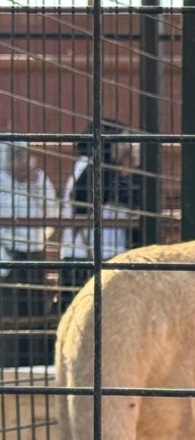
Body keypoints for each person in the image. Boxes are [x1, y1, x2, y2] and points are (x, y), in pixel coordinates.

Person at [59, 120, 142, 307]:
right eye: (123, 141)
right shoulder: (87, 166)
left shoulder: (119, 171)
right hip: (82, 256)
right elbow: (92, 196)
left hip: (112, 256)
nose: (129, 145)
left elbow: (136, 200)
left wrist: (131, 169)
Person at [0, 141, 57, 366]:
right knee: (10, 313)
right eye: (17, 157)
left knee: (35, 310)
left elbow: (52, 214)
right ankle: (9, 364)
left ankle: (36, 363)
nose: (23, 162)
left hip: (34, 254)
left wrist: (37, 186)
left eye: (26, 156)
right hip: (8, 255)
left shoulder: (39, 180)